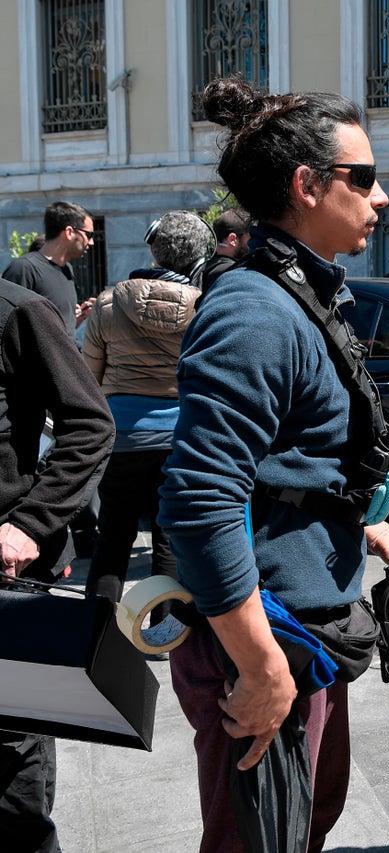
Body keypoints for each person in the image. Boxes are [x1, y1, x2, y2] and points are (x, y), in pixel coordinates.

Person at [156, 78, 389, 853]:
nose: (381, 196)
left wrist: (377, 532)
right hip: (264, 639)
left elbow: (290, 463)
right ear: (307, 186)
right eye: (364, 177)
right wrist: (259, 669)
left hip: (309, 630)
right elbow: (198, 499)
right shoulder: (254, 310)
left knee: (303, 824)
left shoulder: (301, 295)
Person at [0, 278, 114, 853]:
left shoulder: (18, 312)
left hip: (7, 581)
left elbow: (90, 425)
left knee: (11, 760)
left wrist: (29, 525)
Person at [82, 211, 209, 636]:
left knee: (112, 537)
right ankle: (163, 633)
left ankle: (94, 629)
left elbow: (90, 379)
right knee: (168, 539)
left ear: (153, 249)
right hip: (179, 440)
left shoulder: (108, 302)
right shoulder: (205, 308)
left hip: (121, 439)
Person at [2, 201, 97, 338]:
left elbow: (58, 331)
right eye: (88, 235)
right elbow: (7, 328)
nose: (91, 242)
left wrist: (77, 319)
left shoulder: (67, 270)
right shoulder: (24, 269)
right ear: (69, 232)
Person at [197, 207, 250, 289]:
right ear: (232, 239)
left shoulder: (205, 268)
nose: (252, 241)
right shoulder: (231, 273)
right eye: (250, 235)